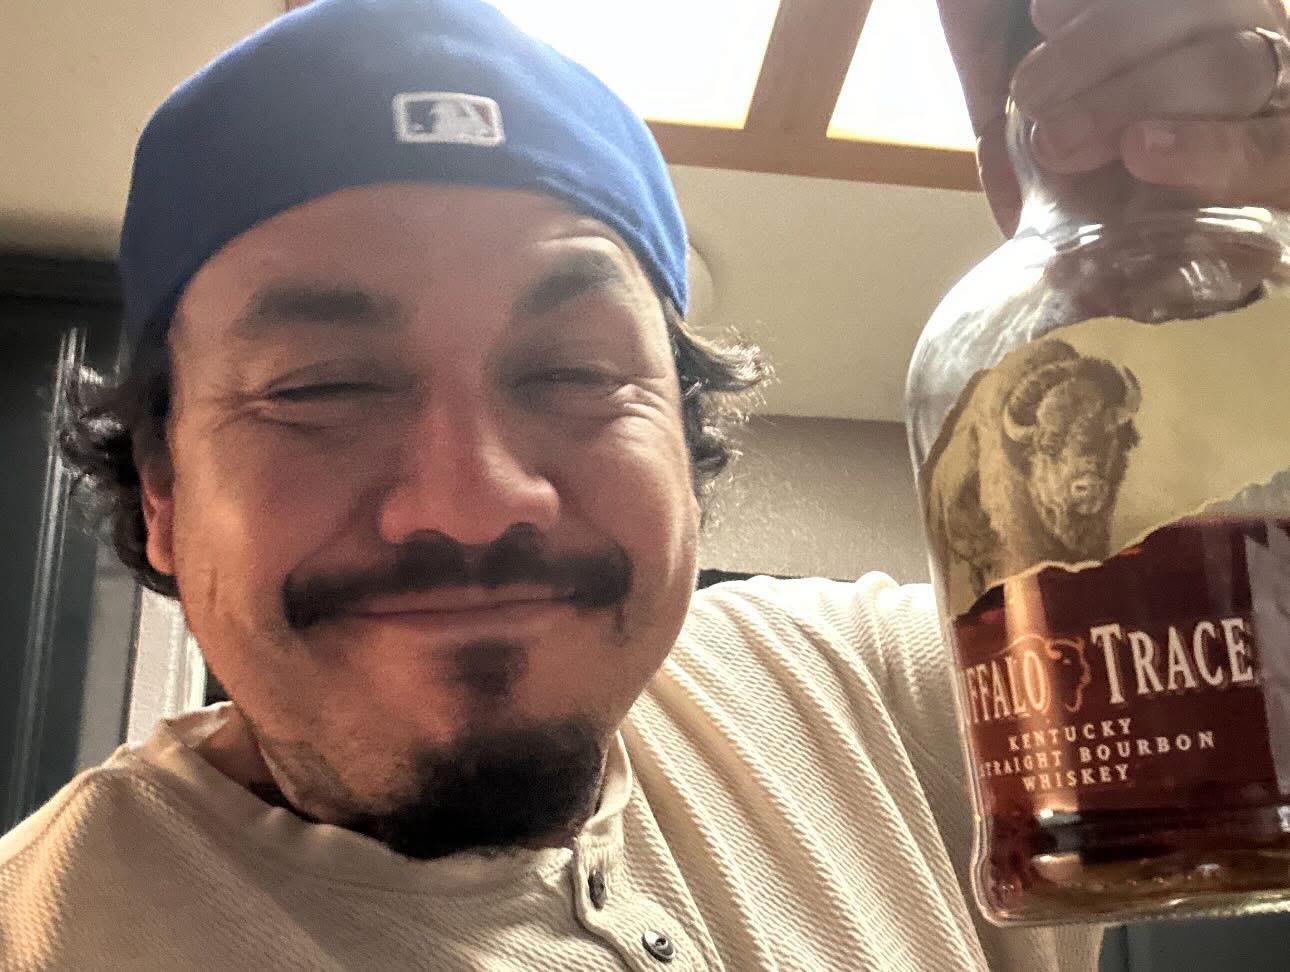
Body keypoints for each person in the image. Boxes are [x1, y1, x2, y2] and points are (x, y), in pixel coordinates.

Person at [1, 0, 1287, 968]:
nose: (471, 499)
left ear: (683, 435)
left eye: (573, 372)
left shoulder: (892, 691)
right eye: (321, 388)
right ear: (161, 494)